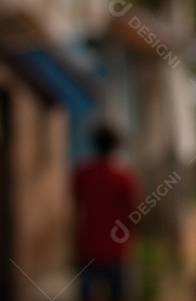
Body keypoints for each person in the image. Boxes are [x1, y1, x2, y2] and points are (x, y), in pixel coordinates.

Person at [73, 123, 139, 301]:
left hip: (89, 247)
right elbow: (133, 214)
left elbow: (75, 209)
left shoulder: (83, 174)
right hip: (115, 250)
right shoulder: (123, 178)